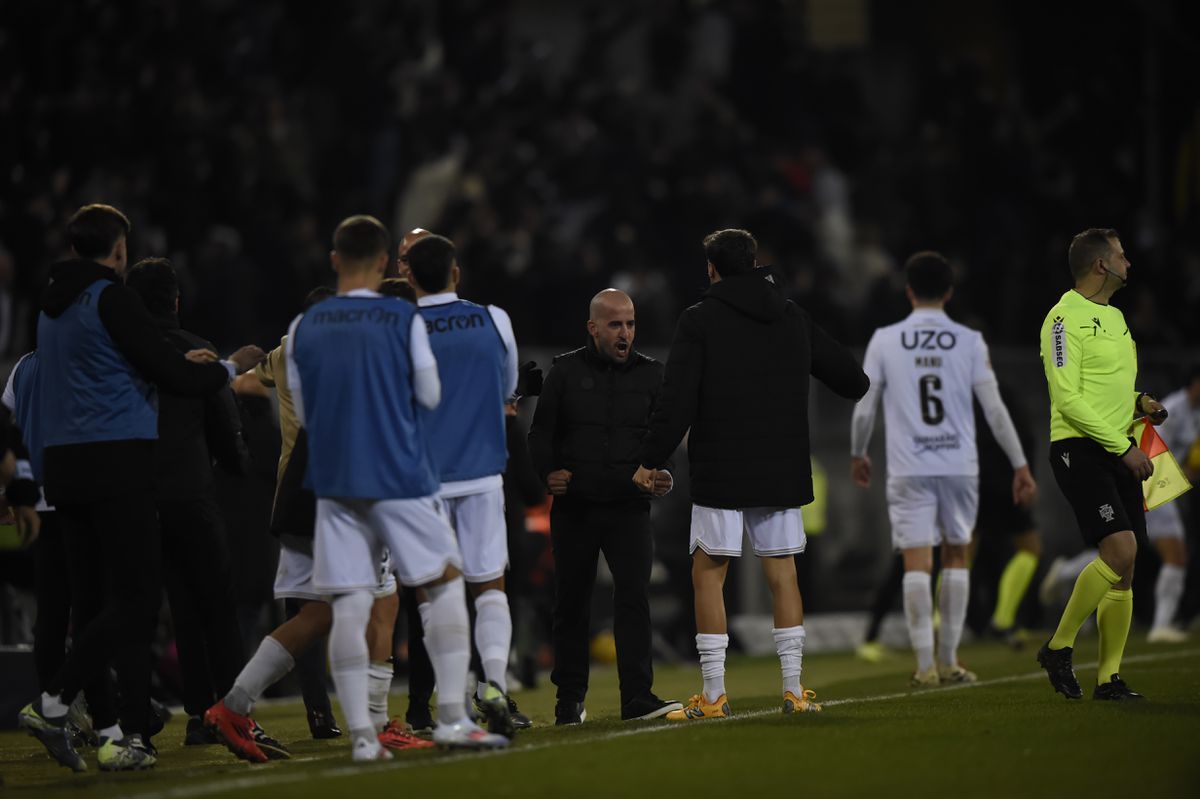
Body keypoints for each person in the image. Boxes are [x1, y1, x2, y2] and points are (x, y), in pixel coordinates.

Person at [17, 204, 263, 772]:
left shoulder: (51, 308)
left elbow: (111, 368)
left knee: (95, 604)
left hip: (64, 469)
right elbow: (171, 373)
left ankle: (108, 734)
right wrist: (228, 366)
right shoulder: (111, 297)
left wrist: (168, 364)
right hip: (115, 464)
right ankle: (54, 703)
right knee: (136, 603)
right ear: (119, 249)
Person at [290, 214, 506, 758]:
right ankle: (454, 718)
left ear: (336, 260)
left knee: (348, 605)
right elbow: (429, 395)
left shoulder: (304, 327)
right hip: (399, 474)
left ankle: (363, 737)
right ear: (386, 263)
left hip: (336, 482)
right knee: (445, 582)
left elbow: (304, 411)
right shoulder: (399, 316)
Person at [633, 229, 869, 720]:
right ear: (755, 263)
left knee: (708, 575)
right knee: (783, 575)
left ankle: (716, 695)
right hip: (781, 466)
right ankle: (793, 690)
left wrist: (651, 457)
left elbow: (676, 401)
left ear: (712, 269)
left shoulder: (699, 319)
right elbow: (852, 380)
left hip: (721, 465)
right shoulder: (790, 315)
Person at [205, 283, 432, 762]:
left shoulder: (299, 349)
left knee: (319, 612)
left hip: (297, 491)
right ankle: (372, 723)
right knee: (380, 602)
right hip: (341, 494)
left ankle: (234, 706)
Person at [851, 251, 1035, 687]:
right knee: (956, 556)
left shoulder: (885, 339)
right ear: (949, 292)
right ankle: (951, 660)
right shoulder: (969, 340)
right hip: (958, 464)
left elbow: (865, 407)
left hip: (909, 464)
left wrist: (859, 452)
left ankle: (924, 667)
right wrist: (1020, 464)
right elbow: (994, 409)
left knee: (917, 561)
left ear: (909, 290)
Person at [528, 288, 682, 725]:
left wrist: (662, 471)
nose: (625, 333)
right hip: (576, 509)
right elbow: (540, 435)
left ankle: (637, 698)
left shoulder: (654, 375)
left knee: (633, 600)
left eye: (631, 323)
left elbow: (661, 438)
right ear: (593, 328)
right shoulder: (564, 372)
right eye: (615, 324)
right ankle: (568, 701)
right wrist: (548, 473)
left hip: (629, 510)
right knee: (571, 603)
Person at [399, 233, 530, 731]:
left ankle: (451, 703)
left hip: (424, 482)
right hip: (481, 476)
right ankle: (493, 683)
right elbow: (506, 390)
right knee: (489, 587)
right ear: (455, 272)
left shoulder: (401, 326)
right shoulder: (494, 319)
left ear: (409, 274)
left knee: (436, 595)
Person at [123, 258, 254, 745]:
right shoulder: (195, 350)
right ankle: (232, 710)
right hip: (193, 495)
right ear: (175, 301)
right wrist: (237, 462)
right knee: (217, 609)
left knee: (170, 611)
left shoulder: (124, 354)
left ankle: (196, 715)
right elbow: (223, 423)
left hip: (139, 498)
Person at [1036, 228, 1166, 701]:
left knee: (1126, 568)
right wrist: (1122, 447)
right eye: (1121, 255)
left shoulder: (1115, 318)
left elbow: (1104, 388)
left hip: (1117, 445)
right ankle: (1058, 646)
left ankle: (1108, 679)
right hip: (1080, 448)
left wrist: (1139, 402)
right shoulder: (1061, 319)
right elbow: (1068, 398)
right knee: (1122, 550)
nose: (1129, 262)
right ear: (1100, 266)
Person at [1143, 367, 1199, 642]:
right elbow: (1151, 444)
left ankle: (1066, 574)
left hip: (1166, 485)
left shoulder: (1195, 413)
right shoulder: (1174, 409)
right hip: (1154, 481)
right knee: (1176, 552)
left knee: (1121, 549)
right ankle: (1161, 625)